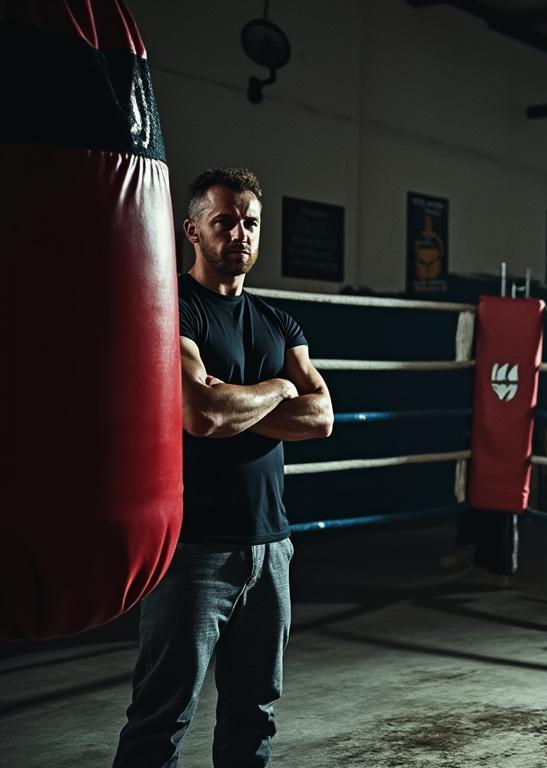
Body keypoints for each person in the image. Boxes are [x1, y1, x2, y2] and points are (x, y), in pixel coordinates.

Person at [114, 167, 334, 768]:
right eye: (225, 221)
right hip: (193, 551)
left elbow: (321, 417)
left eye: (251, 222)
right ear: (192, 229)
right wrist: (277, 389)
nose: (240, 233)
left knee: (255, 713)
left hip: (271, 548)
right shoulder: (172, 308)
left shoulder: (277, 321)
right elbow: (203, 414)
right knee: (162, 715)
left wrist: (244, 396)